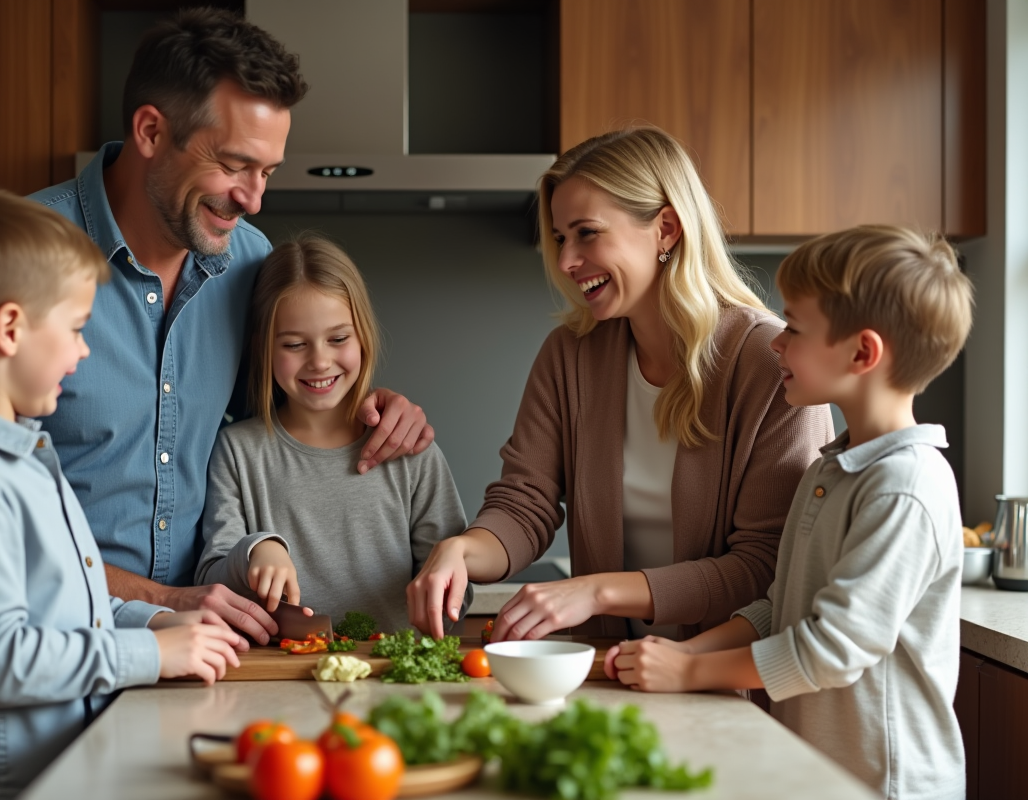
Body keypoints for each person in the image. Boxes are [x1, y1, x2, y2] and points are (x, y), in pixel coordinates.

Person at [0, 7, 431, 640]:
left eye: (267, 171)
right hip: (22, 649)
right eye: (232, 164)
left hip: (185, 649)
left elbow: (282, 412)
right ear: (150, 130)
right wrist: (154, 601)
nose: (253, 198)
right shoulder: (15, 255)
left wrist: (372, 409)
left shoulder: (247, 261)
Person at [408, 127, 834, 641]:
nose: (566, 261)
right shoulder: (570, 356)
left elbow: (767, 566)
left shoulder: (769, 364)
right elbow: (527, 502)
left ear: (667, 229)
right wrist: (462, 549)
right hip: (608, 669)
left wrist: (597, 591)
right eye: (562, 238)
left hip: (720, 682)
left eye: (587, 232)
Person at [0, 187, 241, 800]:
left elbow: (63, 607)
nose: (84, 350)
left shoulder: (22, 462)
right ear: (9, 328)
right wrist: (150, 654)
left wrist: (163, 618)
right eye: (76, 328)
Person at [607, 226, 972, 800]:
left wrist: (692, 674)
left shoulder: (906, 486)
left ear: (862, 352)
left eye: (795, 328)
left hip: (889, 784)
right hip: (821, 772)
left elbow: (830, 650)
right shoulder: (831, 469)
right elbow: (781, 609)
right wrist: (683, 652)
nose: (776, 342)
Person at [197, 236, 471, 633]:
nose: (320, 361)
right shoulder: (237, 452)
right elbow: (212, 576)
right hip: (280, 675)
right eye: (294, 344)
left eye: (338, 339)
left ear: (362, 334)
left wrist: (445, 595)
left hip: (390, 675)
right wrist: (256, 550)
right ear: (263, 349)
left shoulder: (411, 452)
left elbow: (456, 590)